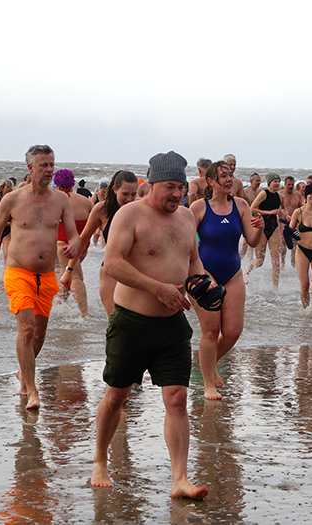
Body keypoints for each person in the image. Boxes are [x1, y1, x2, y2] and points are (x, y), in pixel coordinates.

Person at [90, 151, 209, 499]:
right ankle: (100, 460)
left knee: (177, 397)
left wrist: (205, 284)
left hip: (172, 324)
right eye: (170, 187)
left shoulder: (187, 217)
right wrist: (158, 289)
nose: (177, 194)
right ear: (151, 184)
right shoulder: (130, 215)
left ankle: (179, 480)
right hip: (131, 323)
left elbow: (193, 261)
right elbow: (112, 264)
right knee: (117, 395)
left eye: (181, 187)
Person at [0, 145, 80, 410]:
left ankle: (23, 373)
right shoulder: (12, 200)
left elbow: (73, 234)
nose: (49, 170)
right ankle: (32, 388)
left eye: (52, 164)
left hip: (47, 275)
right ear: (30, 168)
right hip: (17, 272)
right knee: (26, 328)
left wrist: (74, 245)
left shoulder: (61, 200)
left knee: (39, 334)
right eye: (43, 165)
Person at [190, 160, 263, 400]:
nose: (229, 179)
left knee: (232, 332)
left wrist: (259, 228)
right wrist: (199, 275)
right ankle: (208, 384)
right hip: (204, 275)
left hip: (233, 275)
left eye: (230, 175)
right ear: (211, 181)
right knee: (210, 331)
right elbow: (188, 246)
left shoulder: (241, 205)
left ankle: (207, 365)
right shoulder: (199, 208)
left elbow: (251, 241)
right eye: (223, 176)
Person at [62, 170, 139, 316]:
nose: (130, 199)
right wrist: (69, 270)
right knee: (116, 321)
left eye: (133, 194)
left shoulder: (140, 209)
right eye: (125, 194)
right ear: (115, 189)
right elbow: (83, 239)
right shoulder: (101, 210)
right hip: (111, 272)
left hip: (137, 272)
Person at [53, 169, 94, 318]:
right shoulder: (85, 201)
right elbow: (94, 221)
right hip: (83, 245)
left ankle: (85, 315)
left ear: (57, 184)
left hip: (65, 243)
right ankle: (59, 305)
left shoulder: (57, 201)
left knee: (74, 276)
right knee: (67, 272)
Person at [248, 173, 285, 289]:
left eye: (279, 181)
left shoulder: (280, 196)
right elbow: (252, 208)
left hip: (274, 227)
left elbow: (281, 210)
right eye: (275, 181)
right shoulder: (263, 194)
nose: (277, 183)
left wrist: (286, 216)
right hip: (261, 227)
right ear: (269, 183)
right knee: (259, 261)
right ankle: (246, 272)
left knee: (276, 261)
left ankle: (275, 288)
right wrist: (269, 212)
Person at [279, 176, 303, 268]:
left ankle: (293, 262)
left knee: (295, 241)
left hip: (294, 221)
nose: (290, 186)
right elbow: (278, 208)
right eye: (288, 184)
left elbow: (300, 208)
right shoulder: (280, 194)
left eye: (292, 184)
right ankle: (282, 262)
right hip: (282, 221)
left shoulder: (297, 195)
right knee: (283, 242)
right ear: (285, 184)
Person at [0, 180, 15, 266]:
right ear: (2, 189)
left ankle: (6, 276)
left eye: (11, 187)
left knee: (7, 255)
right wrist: (12, 223)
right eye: (8, 187)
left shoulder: (12, 201)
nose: (10, 189)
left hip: (7, 229)